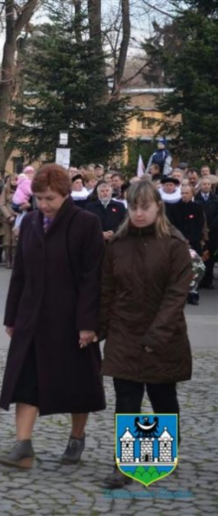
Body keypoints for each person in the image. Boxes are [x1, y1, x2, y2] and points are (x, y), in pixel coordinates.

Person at [0, 164, 105, 469]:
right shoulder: (30, 222)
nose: (43, 205)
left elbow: (91, 277)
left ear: (65, 195)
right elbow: (20, 273)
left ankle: (76, 437)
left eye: (49, 199)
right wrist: (11, 316)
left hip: (70, 319)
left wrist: (87, 324)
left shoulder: (86, 223)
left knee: (78, 382)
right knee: (25, 380)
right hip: (32, 317)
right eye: (38, 199)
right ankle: (23, 446)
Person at [99, 180, 193, 489]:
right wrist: (98, 328)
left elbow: (176, 295)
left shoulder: (175, 244)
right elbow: (107, 290)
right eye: (133, 207)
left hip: (163, 335)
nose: (139, 213)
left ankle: (158, 456)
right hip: (124, 331)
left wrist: (157, 335)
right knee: (127, 398)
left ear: (158, 207)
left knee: (162, 396)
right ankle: (125, 465)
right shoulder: (118, 244)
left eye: (145, 207)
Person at [168, 184, 206, 305]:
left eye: (186, 193)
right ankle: (179, 294)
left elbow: (199, 226)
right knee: (178, 269)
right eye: (182, 193)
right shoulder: (173, 208)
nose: (184, 195)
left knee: (195, 269)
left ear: (192, 194)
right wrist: (181, 239)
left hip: (194, 243)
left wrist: (191, 239)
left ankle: (193, 292)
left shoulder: (198, 208)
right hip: (178, 243)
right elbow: (171, 225)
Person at [195, 177, 218, 289]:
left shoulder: (215, 199)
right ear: (200, 185)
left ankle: (208, 280)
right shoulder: (195, 199)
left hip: (213, 233)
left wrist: (211, 227)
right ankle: (199, 280)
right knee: (200, 257)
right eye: (204, 184)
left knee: (210, 258)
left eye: (208, 184)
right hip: (199, 232)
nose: (206, 186)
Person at [0, 175, 18, 269]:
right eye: (13, 180)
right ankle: (8, 261)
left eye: (16, 180)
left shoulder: (21, 190)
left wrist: (17, 214)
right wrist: (8, 215)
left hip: (17, 217)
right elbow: (2, 204)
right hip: (7, 218)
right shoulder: (5, 189)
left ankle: (14, 260)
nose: (14, 182)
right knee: (7, 239)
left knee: (15, 239)